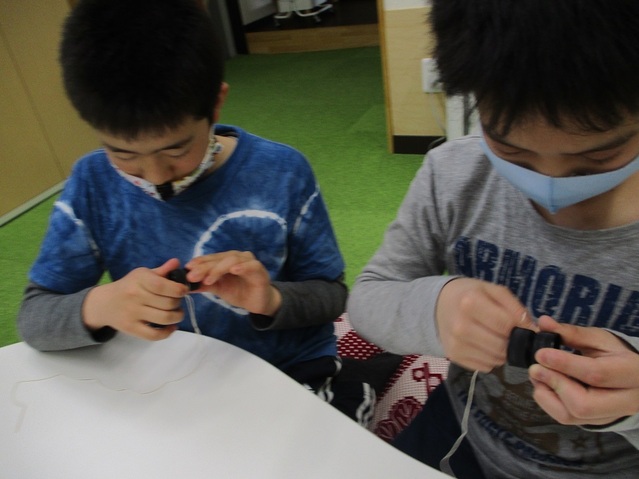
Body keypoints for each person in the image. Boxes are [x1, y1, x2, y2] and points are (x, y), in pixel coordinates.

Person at [17, 0, 375, 424]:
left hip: (286, 370)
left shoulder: (282, 172)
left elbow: (331, 295)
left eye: (176, 149)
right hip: (169, 378)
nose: (156, 176)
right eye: (123, 154)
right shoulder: (92, 183)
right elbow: (34, 318)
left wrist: (271, 299)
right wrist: (101, 304)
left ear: (216, 104)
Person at [347, 1, 639, 477]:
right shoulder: (453, 174)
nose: (550, 183)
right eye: (511, 151)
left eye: (597, 160)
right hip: (464, 429)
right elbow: (368, 297)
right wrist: (435, 308)